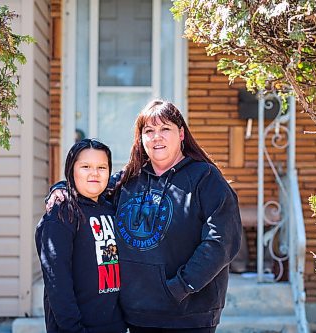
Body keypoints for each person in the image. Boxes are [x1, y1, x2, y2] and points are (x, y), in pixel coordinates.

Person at [47, 100, 242, 333]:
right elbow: (91, 185)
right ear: (141, 138)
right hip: (136, 314)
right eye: (149, 131)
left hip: (188, 315)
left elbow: (221, 242)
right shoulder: (129, 178)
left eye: (165, 129)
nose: (156, 137)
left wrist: (180, 286)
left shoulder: (205, 178)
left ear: (181, 134)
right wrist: (61, 187)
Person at [35, 139, 127, 333]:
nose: (94, 173)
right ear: (71, 170)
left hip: (114, 325)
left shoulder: (112, 207)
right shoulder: (61, 213)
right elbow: (56, 280)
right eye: (85, 166)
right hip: (77, 327)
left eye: (102, 167)